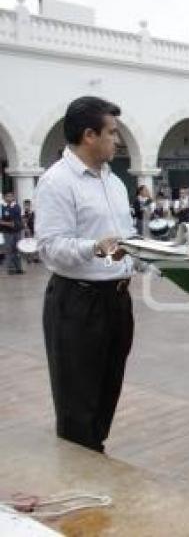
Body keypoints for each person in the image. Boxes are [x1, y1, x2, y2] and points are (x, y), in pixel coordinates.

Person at [34, 96, 135, 452]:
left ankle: (95, 454)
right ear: (89, 135)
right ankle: (80, 474)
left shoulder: (115, 182)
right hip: (78, 302)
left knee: (107, 391)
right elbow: (49, 246)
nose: (117, 141)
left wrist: (167, 258)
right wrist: (95, 247)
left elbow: (127, 240)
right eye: (112, 132)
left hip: (117, 300)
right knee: (78, 401)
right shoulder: (57, 182)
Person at [0, 191, 24, 274]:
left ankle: (19, 268)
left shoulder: (16, 206)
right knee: (9, 250)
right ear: (4, 197)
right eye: (8, 196)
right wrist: (7, 223)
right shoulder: (1, 207)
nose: (9, 198)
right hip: (7, 232)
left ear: (13, 197)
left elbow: (18, 218)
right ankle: (11, 268)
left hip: (17, 231)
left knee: (17, 249)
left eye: (11, 196)